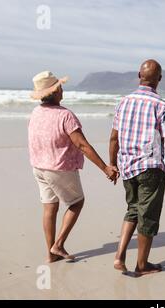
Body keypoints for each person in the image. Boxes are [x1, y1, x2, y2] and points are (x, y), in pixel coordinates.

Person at [28, 71, 118, 263]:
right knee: (76, 202)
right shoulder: (65, 116)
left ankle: (50, 254)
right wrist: (105, 168)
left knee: (49, 208)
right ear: (56, 91)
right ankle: (58, 244)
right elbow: (82, 145)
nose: (62, 89)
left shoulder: (36, 113)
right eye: (60, 87)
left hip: (38, 167)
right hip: (59, 168)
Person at [109, 59, 165, 277]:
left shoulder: (123, 102)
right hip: (150, 167)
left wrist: (112, 164)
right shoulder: (162, 106)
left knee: (132, 209)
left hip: (127, 166)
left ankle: (119, 255)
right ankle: (142, 265)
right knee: (148, 217)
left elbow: (114, 138)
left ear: (138, 75)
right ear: (159, 79)